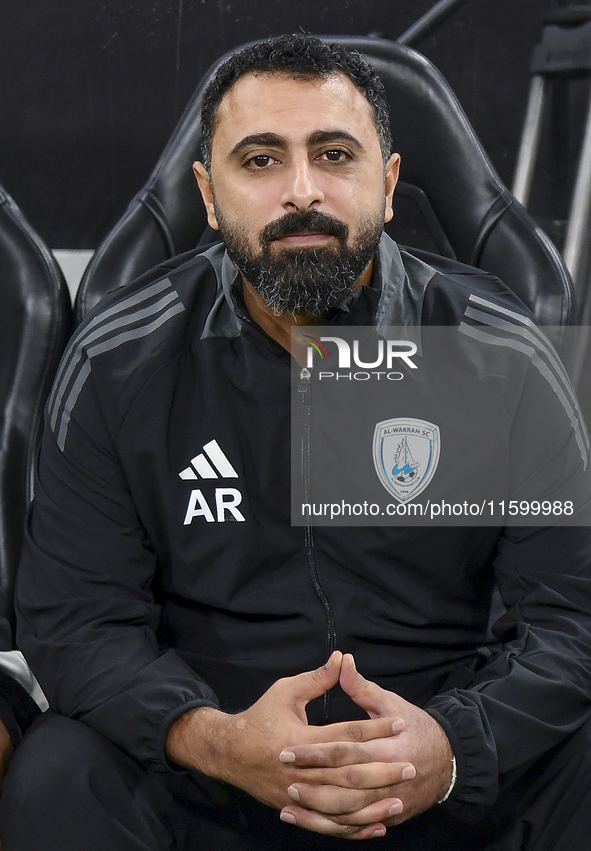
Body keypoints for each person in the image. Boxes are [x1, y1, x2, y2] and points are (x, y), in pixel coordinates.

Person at [2, 33, 591, 850]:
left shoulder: (494, 352)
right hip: (211, 772)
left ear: (386, 185)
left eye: (334, 154)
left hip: (455, 777)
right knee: (57, 777)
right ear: (209, 195)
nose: (301, 191)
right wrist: (214, 738)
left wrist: (455, 748)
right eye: (260, 160)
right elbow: (76, 622)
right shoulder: (117, 359)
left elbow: (573, 617)